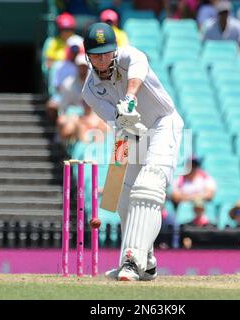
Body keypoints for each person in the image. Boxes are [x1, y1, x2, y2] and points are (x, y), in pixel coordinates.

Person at [81, 22, 184, 281]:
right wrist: (125, 122)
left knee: (148, 186)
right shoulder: (90, 91)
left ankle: (131, 261)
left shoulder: (131, 55)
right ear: (88, 56)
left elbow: (138, 70)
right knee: (124, 201)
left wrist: (129, 98)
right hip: (130, 133)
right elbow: (118, 124)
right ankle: (147, 263)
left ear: (115, 51)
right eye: (96, 54)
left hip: (163, 122)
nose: (102, 60)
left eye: (106, 53)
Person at [46, 34, 84, 125]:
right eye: (72, 49)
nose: (75, 52)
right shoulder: (59, 66)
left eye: (77, 49)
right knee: (52, 106)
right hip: (63, 95)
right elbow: (56, 87)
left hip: (82, 96)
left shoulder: (86, 64)